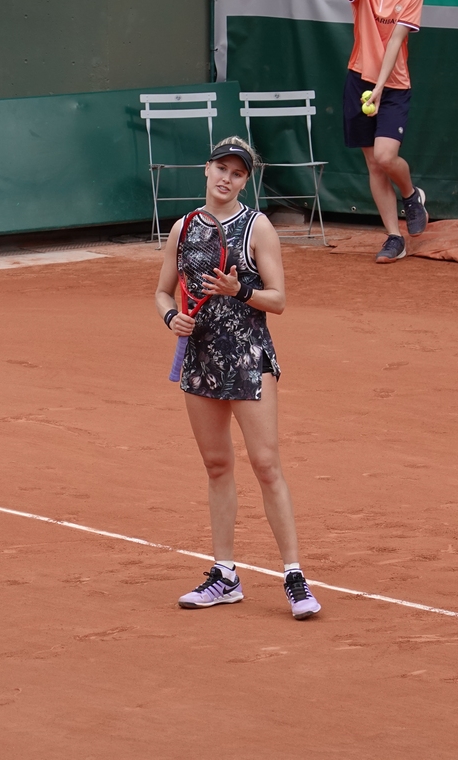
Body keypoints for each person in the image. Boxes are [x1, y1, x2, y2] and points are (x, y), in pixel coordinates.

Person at [154, 137, 322, 621]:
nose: (226, 178)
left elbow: (278, 300)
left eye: (237, 172)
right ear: (206, 170)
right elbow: (163, 293)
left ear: (245, 181)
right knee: (216, 466)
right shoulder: (183, 228)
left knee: (266, 464)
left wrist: (239, 288)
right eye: (220, 168)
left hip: (249, 359)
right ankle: (224, 575)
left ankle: (294, 576)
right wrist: (171, 320)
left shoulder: (258, 227)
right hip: (200, 359)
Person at [344, 0, 428, 263]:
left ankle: (410, 195)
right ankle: (395, 237)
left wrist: (379, 89)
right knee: (373, 163)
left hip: (394, 86)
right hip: (358, 78)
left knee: (385, 156)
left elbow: (395, 40)